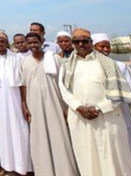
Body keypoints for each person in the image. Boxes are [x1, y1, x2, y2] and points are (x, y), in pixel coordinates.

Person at [58, 28, 131, 175]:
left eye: (85, 41)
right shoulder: (66, 65)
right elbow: (64, 90)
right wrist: (79, 108)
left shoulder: (108, 64)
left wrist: (99, 108)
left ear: (91, 43)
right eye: (77, 41)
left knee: (113, 158)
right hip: (80, 118)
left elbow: (117, 92)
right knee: (87, 157)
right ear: (73, 44)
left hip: (108, 118)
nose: (81, 44)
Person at [92, 33, 131, 176]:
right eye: (102, 46)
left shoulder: (119, 66)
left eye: (108, 46)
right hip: (104, 120)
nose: (105, 50)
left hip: (128, 119)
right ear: (94, 47)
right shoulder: (87, 67)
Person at [21, 32, 78, 175]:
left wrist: (66, 107)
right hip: (34, 106)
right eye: (30, 43)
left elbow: (65, 85)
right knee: (39, 138)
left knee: (60, 136)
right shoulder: (25, 62)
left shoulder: (54, 59)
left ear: (42, 42)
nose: (33, 45)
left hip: (55, 105)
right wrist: (24, 105)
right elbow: (23, 85)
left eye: (35, 42)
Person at [0, 31, 32, 175]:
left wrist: (24, 103)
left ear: (7, 43)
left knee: (19, 131)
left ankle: (23, 167)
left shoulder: (17, 58)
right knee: (1, 132)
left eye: (2, 41)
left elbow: (23, 83)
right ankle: (6, 166)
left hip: (15, 100)